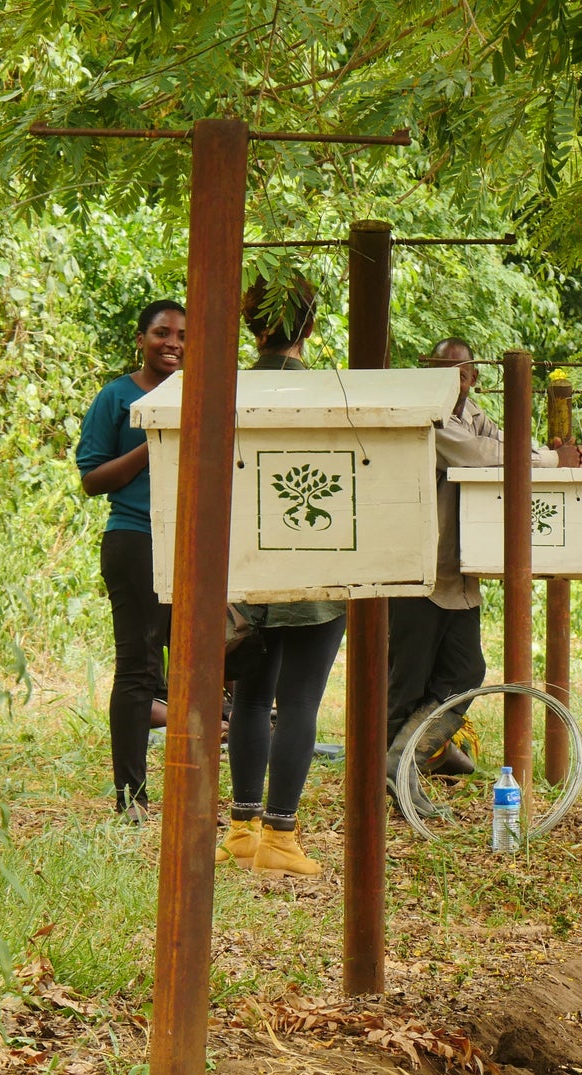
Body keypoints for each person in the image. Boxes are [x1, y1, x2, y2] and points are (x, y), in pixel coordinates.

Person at [384, 337, 582, 816]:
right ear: (424, 370)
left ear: (474, 377)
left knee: (465, 671)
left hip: (461, 572)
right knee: (406, 682)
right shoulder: (426, 417)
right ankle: (395, 777)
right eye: (442, 368)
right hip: (421, 569)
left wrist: (548, 452)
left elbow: (506, 446)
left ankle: (401, 761)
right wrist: (554, 461)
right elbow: (479, 455)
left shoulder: (474, 414)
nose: (453, 377)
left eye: (461, 370)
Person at [216, 276, 345, 878]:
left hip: (243, 563)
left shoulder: (223, 388)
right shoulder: (328, 391)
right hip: (313, 560)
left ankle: (240, 831)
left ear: (251, 324)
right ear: (311, 327)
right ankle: (282, 839)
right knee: (298, 703)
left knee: (249, 698)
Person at [77, 300, 184, 824]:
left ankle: (194, 785)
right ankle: (132, 797)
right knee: (138, 667)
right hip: (135, 540)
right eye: (162, 333)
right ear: (141, 338)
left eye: (183, 335)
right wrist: (155, 440)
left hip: (195, 546)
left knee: (203, 662)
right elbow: (92, 479)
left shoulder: (206, 394)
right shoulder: (117, 397)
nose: (174, 343)